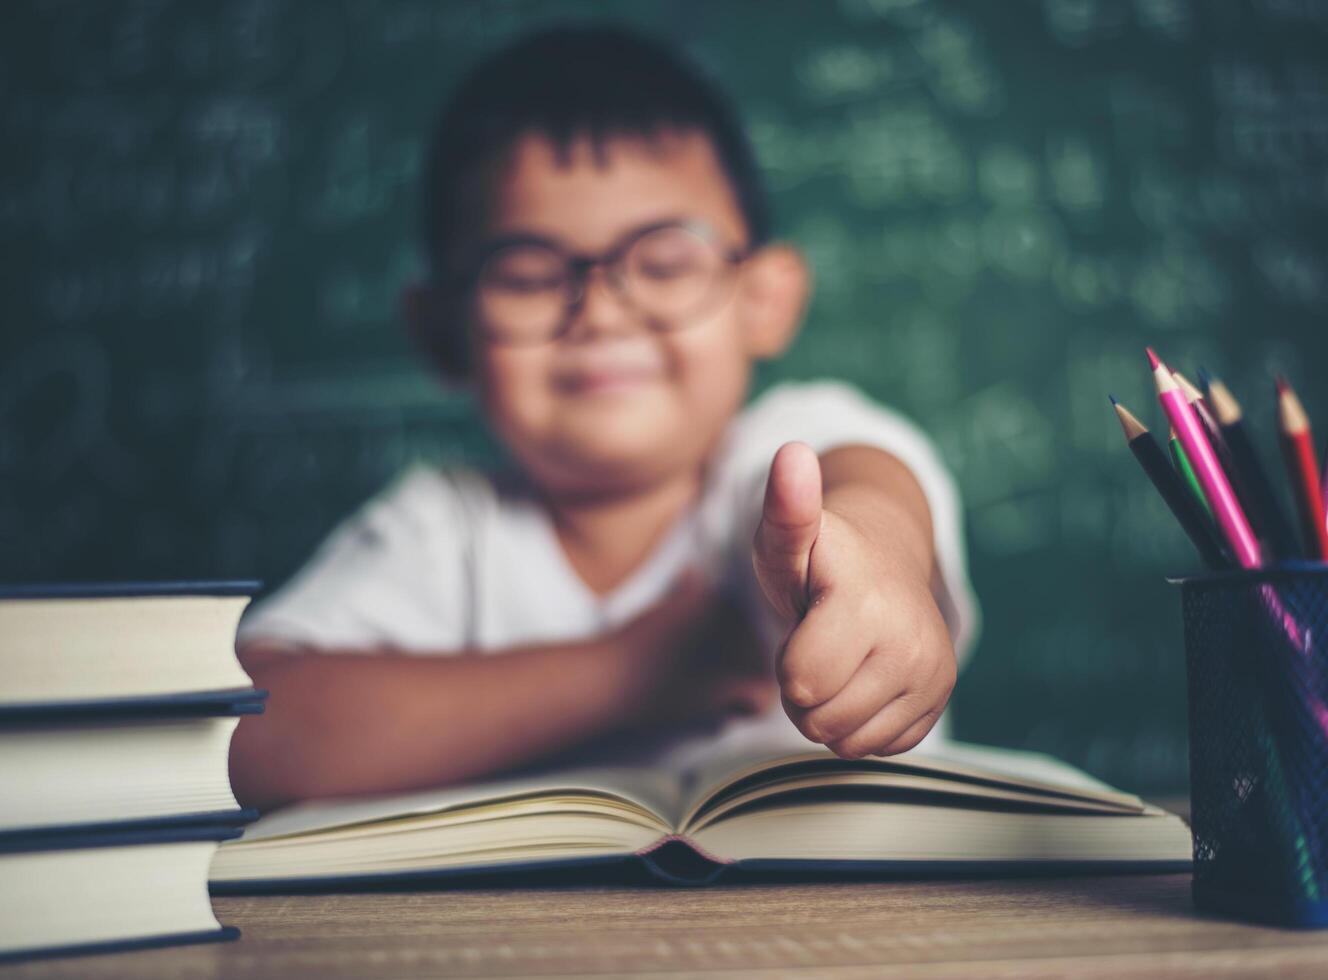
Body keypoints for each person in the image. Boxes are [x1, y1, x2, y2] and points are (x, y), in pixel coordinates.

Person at [230, 25, 977, 809]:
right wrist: (627, 671)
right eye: (526, 275)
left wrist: (884, 563)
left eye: (662, 263)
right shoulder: (442, 531)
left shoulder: (776, 450)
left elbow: (864, 475)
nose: (601, 313)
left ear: (762, 298)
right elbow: (247, 735)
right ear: (441, 330)